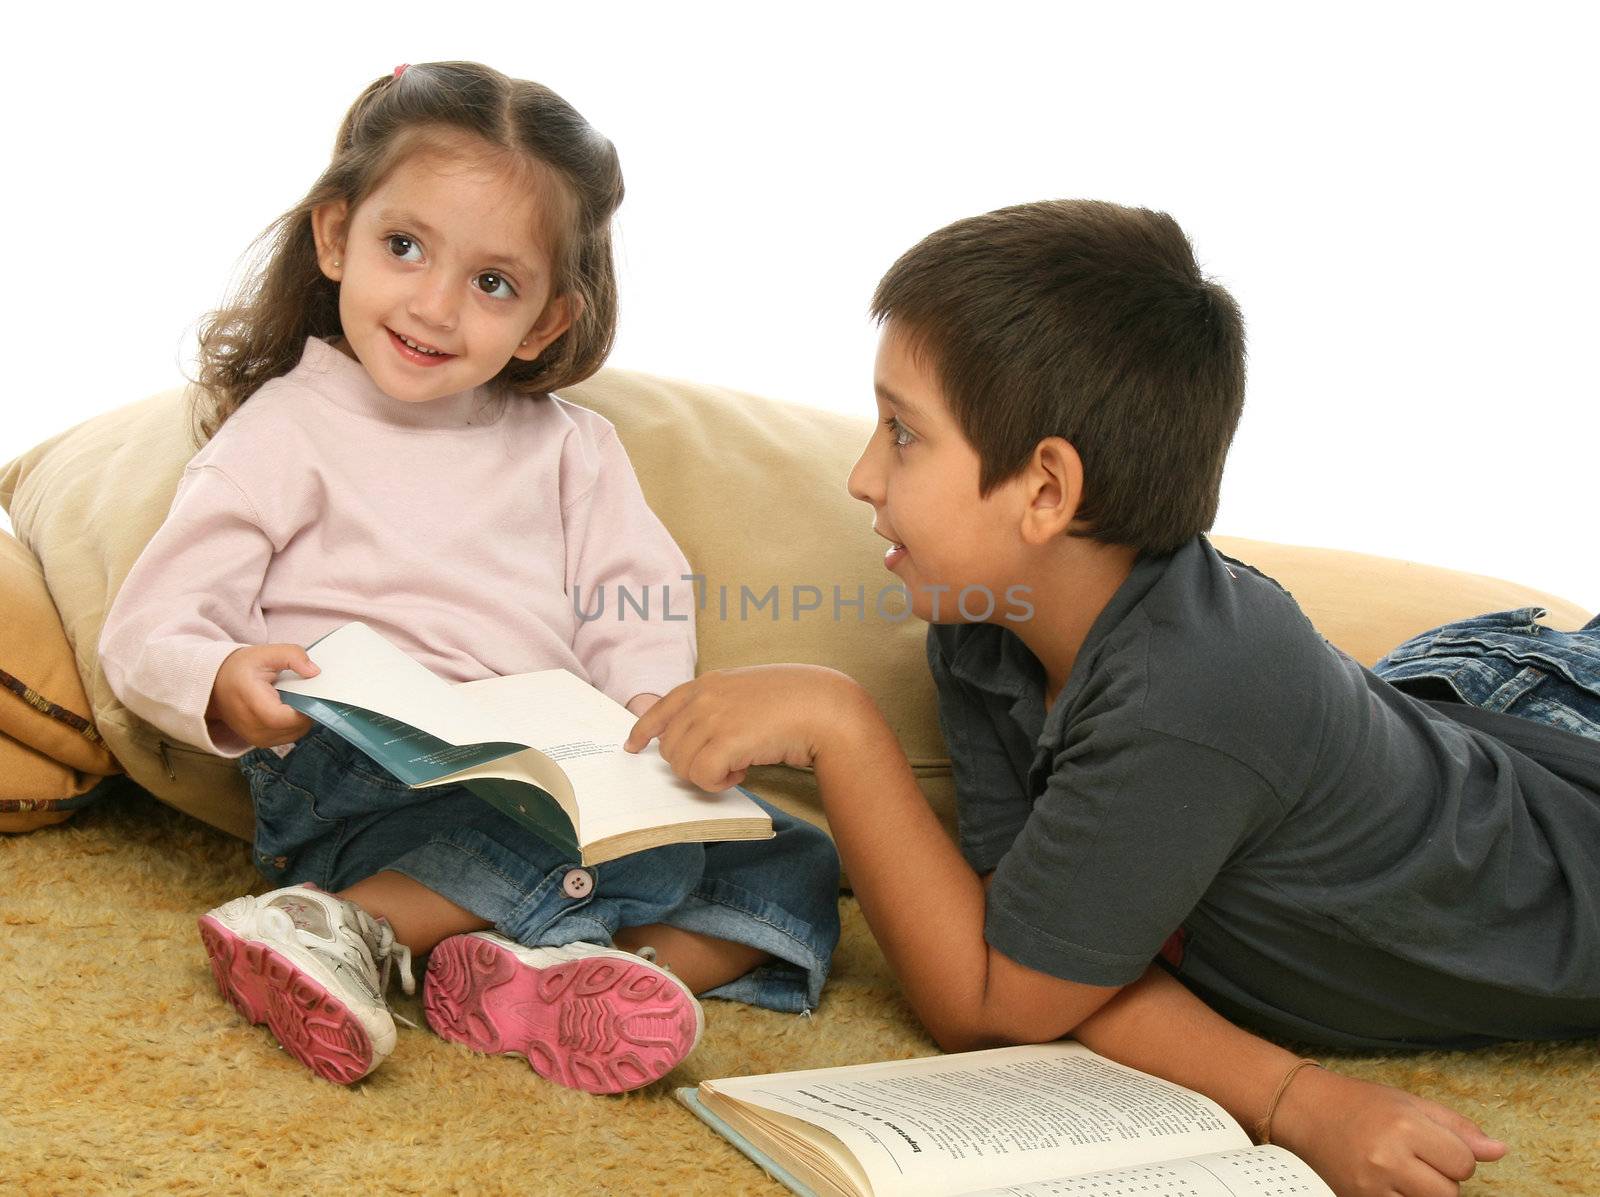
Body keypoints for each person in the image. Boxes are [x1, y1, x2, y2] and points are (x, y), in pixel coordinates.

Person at [626, 199, 1600, 1195]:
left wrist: (839, 725)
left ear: (1046, 491)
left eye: (902, 434)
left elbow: (989, 1002)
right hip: (1446, 719)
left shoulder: (1187, 696)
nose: (861, 475)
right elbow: (1023, 960)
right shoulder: (983, 627)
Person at [99, 60, 839, 1092]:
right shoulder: (285, 431)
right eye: (404, 248)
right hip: (359, 766)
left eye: (493, 283)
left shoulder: (571, 447)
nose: (436, 307)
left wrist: (645, 717)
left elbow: (636, 594)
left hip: (544, 765)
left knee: (787, 853)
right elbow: (150, 624)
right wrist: (222, 678)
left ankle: (554, 980)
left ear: (542, 321)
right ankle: (332, 926)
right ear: (334, 236)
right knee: (530, 827)